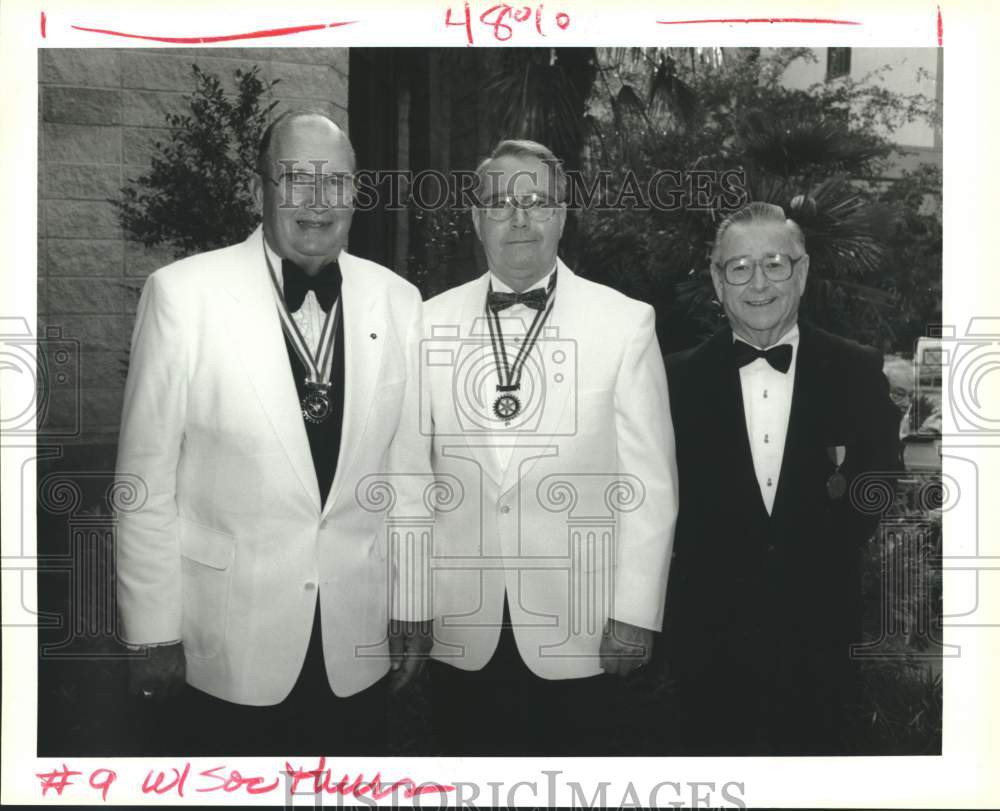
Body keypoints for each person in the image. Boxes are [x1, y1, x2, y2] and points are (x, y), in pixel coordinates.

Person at [114, 110, 432, 755]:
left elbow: (409, 475)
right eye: (296, 178)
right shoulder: (183, 295)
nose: (318, 202)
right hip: (227, 641)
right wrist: (150, 633)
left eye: (336, 182)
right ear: (261, 187)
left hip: (356, 637)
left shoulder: (399, 300)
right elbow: (143, 483)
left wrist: (414, 601)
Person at [422, 140, 678, 755]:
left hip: (583, 629)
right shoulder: (425, 321)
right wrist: (409, 602)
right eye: (500, 203)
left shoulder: (624, 323)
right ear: (475, 219)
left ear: (563, 215)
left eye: (536, 202)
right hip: (459, 624)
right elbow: (408, 477)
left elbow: (650, 487)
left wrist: (635, 611)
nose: (519, 218)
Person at [661, 201, 902, 755]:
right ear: (718, 283)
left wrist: (826, 550)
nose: (758, 283)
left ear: (803, 272)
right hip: (708, 647)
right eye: (739, 267)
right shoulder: (673, 380)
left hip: (822, 637)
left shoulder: (856, 369)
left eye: (775, 263)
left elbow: (880, 476)